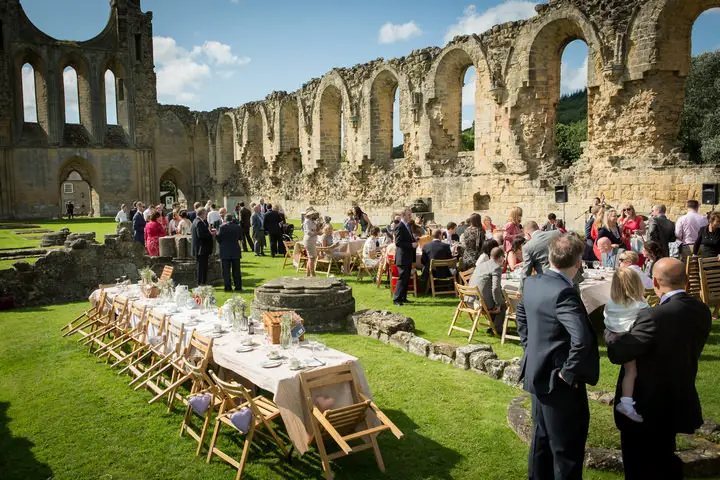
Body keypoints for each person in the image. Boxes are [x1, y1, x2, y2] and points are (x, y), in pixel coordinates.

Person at [606, 258, 711, 479]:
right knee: (664, 459)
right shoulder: (701, 310)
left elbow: (618, 352)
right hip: (678, 397)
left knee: (639, 466)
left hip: (645, 405)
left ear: (654, 281)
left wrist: (611, 328)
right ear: (686, 280)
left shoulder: (654, 317)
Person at [516, 234, 600, 480]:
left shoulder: (533, 282)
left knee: (541, 442)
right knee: (566, 450)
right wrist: (569, 372)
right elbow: (582, 338)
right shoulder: (564, 292)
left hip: (538, 373)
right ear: (578, 264)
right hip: (558, 382)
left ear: (550, 257)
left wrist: (529, 347)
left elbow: (520, 311)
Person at [603, 267, 650, 423]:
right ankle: (627, 403)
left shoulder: (610, 304)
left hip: (615, 339)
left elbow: (607, 320)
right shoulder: (640, 306)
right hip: (631, 342)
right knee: (632, 371)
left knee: (628, 370)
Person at [469, 247, 506, 334]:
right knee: (503, 304)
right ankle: (497, 329)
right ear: (501, 257)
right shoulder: (496, 268)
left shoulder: (481, 265)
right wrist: (498, 304)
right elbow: (495, 288)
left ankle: (492, 326)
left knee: (497, 298)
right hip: (480, 303)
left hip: (469, 299)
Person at [520, 221, 561, 288]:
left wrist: (521, 290)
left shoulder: (528, 247)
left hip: (550, 283)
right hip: (570, 278)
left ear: (527, 234)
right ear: (538, 228)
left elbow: (526, 272)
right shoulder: (557, 233)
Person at [393, 207, 418, 306]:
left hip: (407, 256)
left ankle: (403, 297)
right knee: (402, 278)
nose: (410, 216)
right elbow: (398, 242)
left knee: (407, 278)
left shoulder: (407, 225)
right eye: (408, 215)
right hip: (402, 257)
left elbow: (406, 239)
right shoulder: (400, 226)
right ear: (403, 216)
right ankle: (397, 299)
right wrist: (411, 245)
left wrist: (414, 239)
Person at [216, 214, 242, 292]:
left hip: (225, 250)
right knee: (236, 270)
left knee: (226, 271)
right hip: (235, 250)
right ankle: (238, 286)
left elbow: (218, 238)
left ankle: (227, 287)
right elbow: (240, 237)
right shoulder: (237, 227)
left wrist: (222, 243)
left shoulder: (222, 227)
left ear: (225, 219)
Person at [191, 208, 215, 285]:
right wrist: (210, 234)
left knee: (203, 266)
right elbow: (201, 235)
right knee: (201, 267)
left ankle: (202, 281)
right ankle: (201, 282)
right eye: (205, 214)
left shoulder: (196, 221)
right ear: (202, 214)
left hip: (201, 248)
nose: (206, 215)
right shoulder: (199, 222)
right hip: (201, 248)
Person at [302, 207, 321, 277]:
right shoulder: (307, 221)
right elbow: (309, 232)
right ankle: (313, 274)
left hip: (312, 240)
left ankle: (307, 274)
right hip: (309, 240)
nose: (313, 215)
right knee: (312, 257)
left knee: (311, 257)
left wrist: (318, 225)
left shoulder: (311, 221)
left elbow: (316, 230)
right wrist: (317, 233)